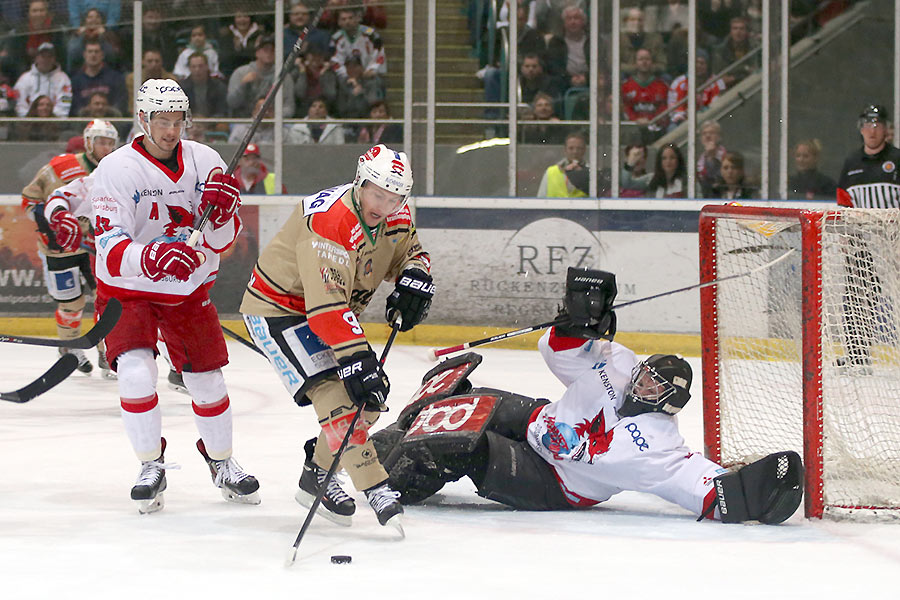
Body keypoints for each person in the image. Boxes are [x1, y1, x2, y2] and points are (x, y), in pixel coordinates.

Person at [370, 267, 804, 525]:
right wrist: (575, 326)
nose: (641, 382)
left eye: (654, 385)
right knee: (463, 400)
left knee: (465, 445)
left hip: (553, 482)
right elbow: (555, 350)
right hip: (540, 419)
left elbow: (705, 488)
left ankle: (387, 484)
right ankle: (370, 450)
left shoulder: (659, 449)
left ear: (669, 402)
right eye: (646, 374)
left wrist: (753, 492)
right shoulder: (620, 363)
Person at [240, 143, 433, 531]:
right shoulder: (331, 221)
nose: (384, 204)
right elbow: (325, 311)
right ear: (360, 182)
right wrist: (356, 358)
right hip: (279, 311)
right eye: (377, 194)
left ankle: (316, 477)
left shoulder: (394, 213)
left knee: (369, 401)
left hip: (330, 313)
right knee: (339, 395)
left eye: (395, 197)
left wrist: (416, 276)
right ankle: (375, 487)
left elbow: (411, 251)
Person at [90, 79, 260, 514]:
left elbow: (223, 239)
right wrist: (154, 255)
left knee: (207, 379)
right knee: (134, 373)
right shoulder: (115, 168)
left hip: (185, 288)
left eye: (177, 120)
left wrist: (222, 215)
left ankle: (222, 463)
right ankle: (151, 465)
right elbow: (109, 252)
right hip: (129, 289)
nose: (170, 130)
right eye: (161, 121)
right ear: (143, 119)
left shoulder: (206, 160)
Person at [21, 119, 119, 375]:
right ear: (88, 142)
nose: (106, 148)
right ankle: (69, 346)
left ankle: (106, 349)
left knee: (106, 300)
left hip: (96, 247)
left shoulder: (117, 169)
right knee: (71, 304)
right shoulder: (60, 166)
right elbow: (29, 199)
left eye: (110, 142)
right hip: (61, 249)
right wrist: (48, 225)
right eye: (101, 142)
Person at [834, 104, 900, 369]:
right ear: (860, 129)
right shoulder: (851, 164)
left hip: (895, 241)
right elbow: (844, 202)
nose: (872, 130)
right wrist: (844, 235)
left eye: (877, 125)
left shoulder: (897, 159)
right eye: (867, 125)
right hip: (862, 243)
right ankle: (856, 353)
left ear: (886, 129)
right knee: (856, 297)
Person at [227, 35, 295, 118]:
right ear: (257, 52)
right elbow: (231, 103)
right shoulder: (241, 73)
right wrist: (243, 85)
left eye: (273, 50)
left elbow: (289, 107)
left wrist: (274, 116)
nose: (269, 53)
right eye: (265, 50)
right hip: (244, 122)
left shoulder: (284, 76)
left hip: (274, 123)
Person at [329, 8, 386, 98]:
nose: (347, 22)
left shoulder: (371, 34)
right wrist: (347, 77)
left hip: (368, 74)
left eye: (350, 18)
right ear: (339, 22)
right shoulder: (336, 38)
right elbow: (335, 61)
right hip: (346, 77)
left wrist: (372, 69)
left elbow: (379, 56)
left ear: (357, 18)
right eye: (343, 19)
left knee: (374, 83)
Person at [667, 48, 726, 131]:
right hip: (684, 122)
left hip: (709, 120)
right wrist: (683, 116)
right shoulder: (679, 82)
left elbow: (716, 105)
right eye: (696, 63)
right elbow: (673, 107)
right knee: (672, 128)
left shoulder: (717, 82)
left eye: (702, 63)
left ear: (707, 65)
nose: (698, 66)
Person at [621, 48, 669, 141]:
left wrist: (652, 120)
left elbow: (664, 108)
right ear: (635, 63)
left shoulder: (662, 86)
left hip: (655, 128)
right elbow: (625, 108)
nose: (644, 62)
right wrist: (636, 120)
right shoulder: (626, 86)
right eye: (641, 59)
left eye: (647, 59)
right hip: (633, 128)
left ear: (652, 62)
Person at [13, 41, 72, 118]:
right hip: (29, 122)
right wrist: (27, 120)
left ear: (54, 59)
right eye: (43, 56)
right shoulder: (25, 78)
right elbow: (19, 103)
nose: (46, 60)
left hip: (54, 122)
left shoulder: (63, 79)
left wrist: (54, 119)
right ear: (36, 58)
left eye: (49, 56)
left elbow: (65, 102)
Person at [69, 40, 126, 116]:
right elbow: (74, 109)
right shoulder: (75, 81)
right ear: (84, 55)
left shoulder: (116, 78)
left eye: (96, 52)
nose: (93, 55)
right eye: (90, 51)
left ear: (102, 55)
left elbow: (120, 106)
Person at [537, 130, 588, 198]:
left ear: (584, 150)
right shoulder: (550, 172)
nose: (575, 152)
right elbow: (540, 198)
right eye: (571, 148)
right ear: (565, 150)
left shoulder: (591, 173)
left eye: (579, 148)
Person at [124, 49, 175, 115]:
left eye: (157, 61)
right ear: (143, 62)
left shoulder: (170, 80)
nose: (154, 64)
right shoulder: (133, 79)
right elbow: (132, 104)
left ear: (162, 62)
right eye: (150, 61)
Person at [696, 120, 727, 197]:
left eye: (712, 133)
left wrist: (712, 157)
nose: (707, 136)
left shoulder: (726, 156)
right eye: (704, 134)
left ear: (719, 136)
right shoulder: (700, 158)